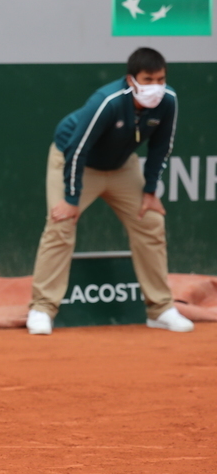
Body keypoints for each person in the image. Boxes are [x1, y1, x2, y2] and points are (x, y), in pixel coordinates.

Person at [26, 47, 193, 335]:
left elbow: (161, 148)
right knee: (61, 223)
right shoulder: (107, 102)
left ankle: (160, 309)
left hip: (121, 167)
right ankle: (42, 308)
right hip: (75, 161)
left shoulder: (168, 101)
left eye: (161, 79)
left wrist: (150, 191)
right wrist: (71, 198)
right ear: (131, 80)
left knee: (151, 221)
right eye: (148, 79)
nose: (155, 86)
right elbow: (78, 149)